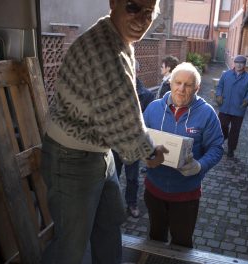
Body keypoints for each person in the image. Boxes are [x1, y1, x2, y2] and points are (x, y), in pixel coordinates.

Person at [40, 1, 168, 263]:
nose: (142, 20)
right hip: (72, 157)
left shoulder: (117, 37)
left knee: (109, 225)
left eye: (149, 13)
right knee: (70, 247)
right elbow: (123, 117)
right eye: (133, 7)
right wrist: (150, 153)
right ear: (113, 3)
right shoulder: (104, 49)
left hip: (99, 153)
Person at [143, 62, 224, 248]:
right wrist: (143, 155)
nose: (181, 89)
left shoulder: (207, 114)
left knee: (182, 243)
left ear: (197, 88)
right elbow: (141, 139)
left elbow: (217, 148)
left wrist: (200, 165)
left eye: (188, 85)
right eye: (177, 82)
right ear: (170, 83)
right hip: (154, 189)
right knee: (155, 237)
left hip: (186, 195)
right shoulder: (153, 108)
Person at [112, 60, 155, 218]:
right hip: (115, 143)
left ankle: (131, 203)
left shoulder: (146, 95)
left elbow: (149, 123)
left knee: (132, 178)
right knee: (113, 177)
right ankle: (113, 205)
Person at [215, 55, 248, 158]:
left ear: (244, 65)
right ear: (234, 63)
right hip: (225, 107)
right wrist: (219, 95)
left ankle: (231, 149)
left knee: (235, 131)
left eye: (241, 63)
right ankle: (221, 140)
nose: (239, 64)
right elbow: (219, 86)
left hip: (238, 109)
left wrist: (247, 100)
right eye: (237, 62)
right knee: (222, 126)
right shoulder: (226, 75)